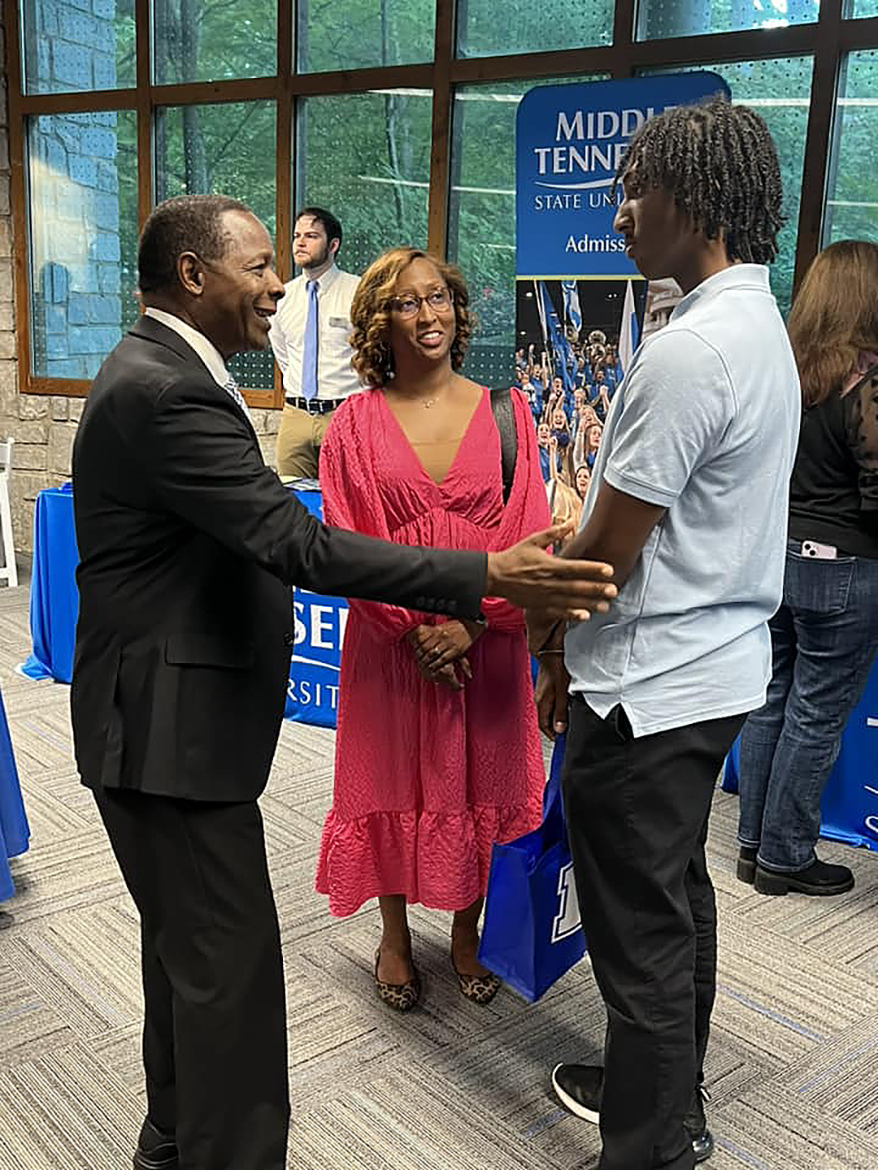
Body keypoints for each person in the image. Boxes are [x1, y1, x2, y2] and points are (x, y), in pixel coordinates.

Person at [70, 195, 619, 1170]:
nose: (280, 281)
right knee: (231, 998)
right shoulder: (165, 389)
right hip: (168, 742)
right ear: (194, 276)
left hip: (175, 735)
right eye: (256, 265)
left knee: (193, 977)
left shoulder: (164, 375)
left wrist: (480, 612)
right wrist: (485, 576)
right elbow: (300, 542)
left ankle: (167, 1146)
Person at [527, 96, 800, 1170]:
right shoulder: (750, 326)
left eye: (634, 189)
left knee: (636, 929)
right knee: (672, 897)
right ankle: (661, 1091)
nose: (618, 211)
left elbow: (606, 557)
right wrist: (590, 526)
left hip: (646, 686)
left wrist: (551, 642)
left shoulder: (687, 353)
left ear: (695, 200)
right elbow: (666, 514)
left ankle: (646, 1145)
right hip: (709, 670)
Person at [315, 247, 553, 1010]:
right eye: (408, 304)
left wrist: (471, 625)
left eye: (439, 298)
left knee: (482, 782)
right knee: (388, 781)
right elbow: (345, 540)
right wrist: (413, 635)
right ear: (380, 322)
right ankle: (392, 933)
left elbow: (532, 534)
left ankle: (463, 930)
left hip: (486, 646)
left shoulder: (507, 413)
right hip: (390, 651)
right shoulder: (352, 425)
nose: (429, 316)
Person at [737, 240, 878, 897]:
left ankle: (752, 846)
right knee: (817, 714)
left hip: (775, 559)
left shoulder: (781, 371)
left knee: (772, 700)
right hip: (844, 570)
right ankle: (786, 857)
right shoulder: (868, 381)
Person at [268, 206, 360, 478]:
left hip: (345, 414)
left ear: (333, 245)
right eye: (297, 235)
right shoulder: (283, 296)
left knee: (345, 505)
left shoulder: (359, 292)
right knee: (293, 502)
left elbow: (376, 355)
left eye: (311, 236)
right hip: (296, 415)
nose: (300, 242)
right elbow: (283, 355)